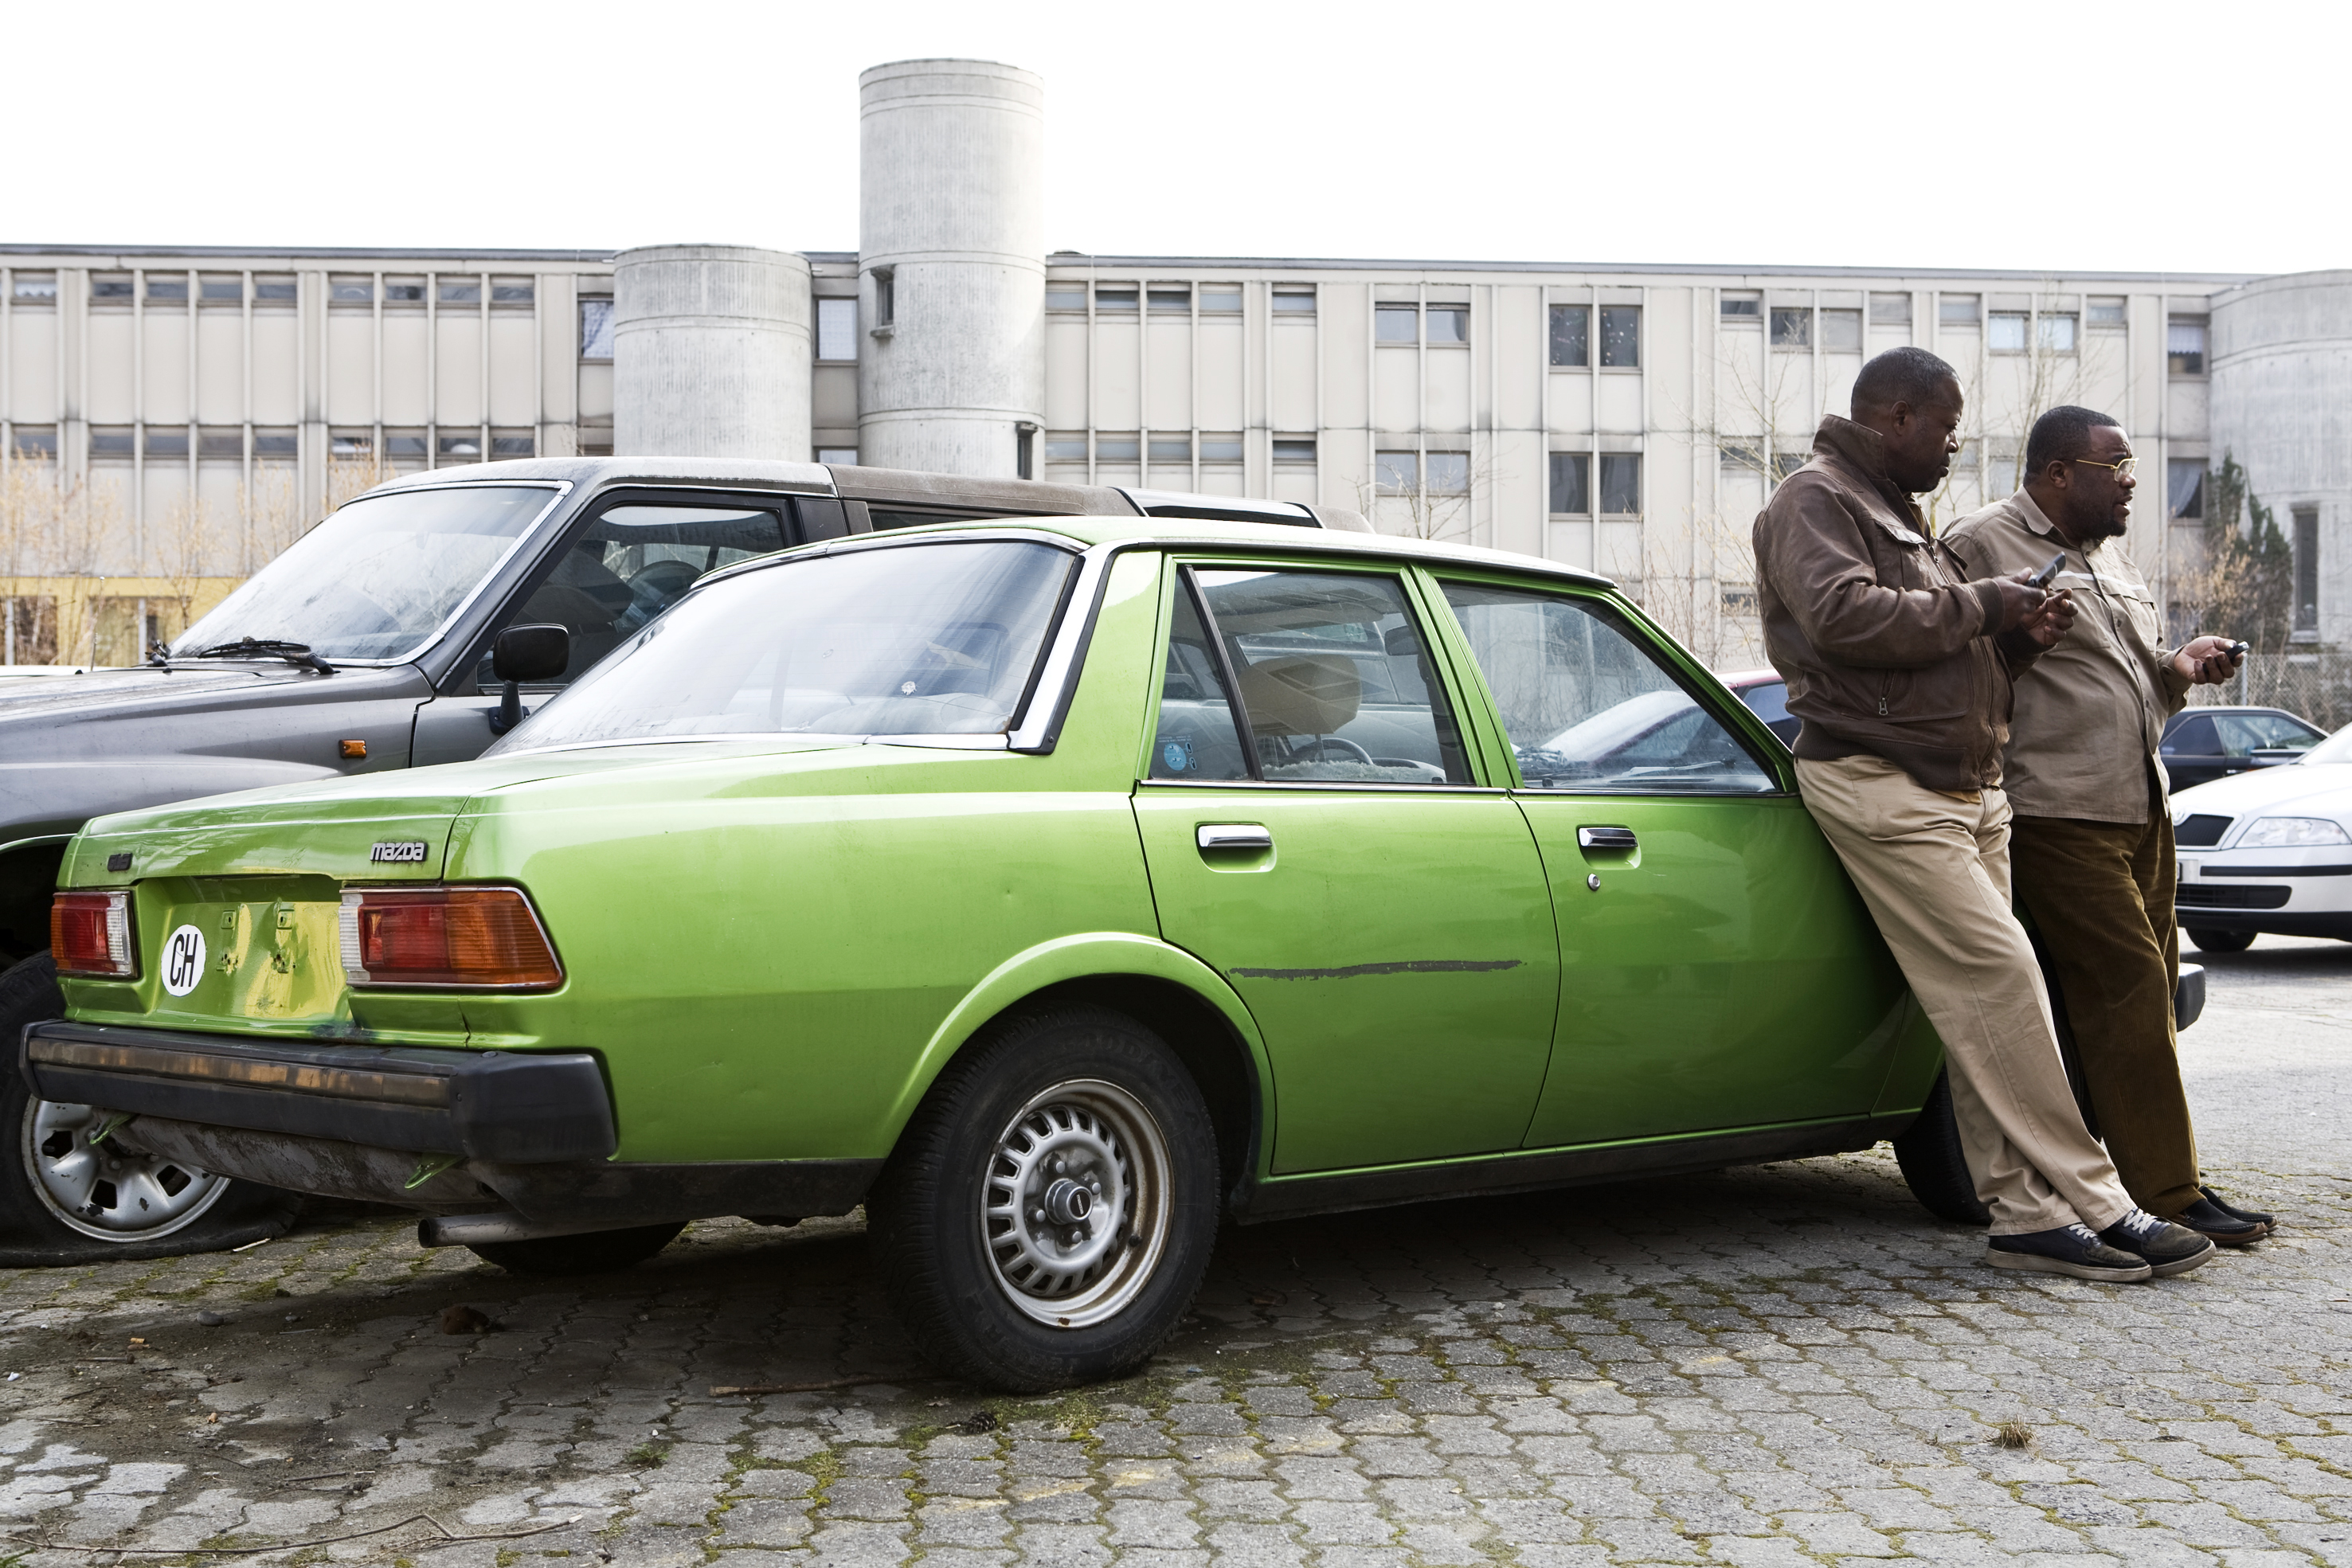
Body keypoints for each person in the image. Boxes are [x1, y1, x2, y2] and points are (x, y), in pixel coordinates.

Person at [1752, 346, 2213, 1283]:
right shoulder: (1815, 500)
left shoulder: (1893, 511)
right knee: (2006, 983)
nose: (1955, 447)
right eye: (1948, 427)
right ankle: (2097, 1195)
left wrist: (2016, 639)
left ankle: (2023, 1214)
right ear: (1897, 418)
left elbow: (1947, 657)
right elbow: (1845, 620)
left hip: (1968, 787)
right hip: (1883, 778)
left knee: (1977, 1012)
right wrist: (1984, 601)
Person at [1945, 405, 2274, 1245]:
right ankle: (2167, 1192)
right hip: (2056, 809)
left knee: (2150, 995)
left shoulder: (2109, 561)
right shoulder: (1981, 542)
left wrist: (2177, 670)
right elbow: (1957, 669)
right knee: (2125, 988)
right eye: (2114, 467)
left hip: (2140, 804)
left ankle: (2141, 1175)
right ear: (2058, 473)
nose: (2131, 481)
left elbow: (2123, 687)